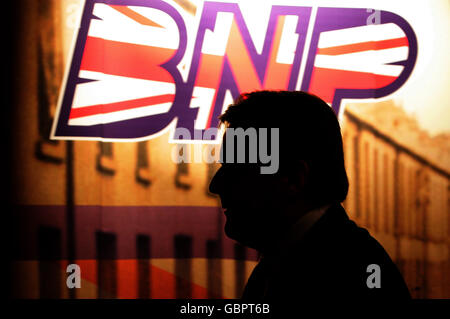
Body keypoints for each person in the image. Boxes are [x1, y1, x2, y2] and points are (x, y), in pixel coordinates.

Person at [209, 90, 411, 300]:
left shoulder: (345, 273)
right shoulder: (291, 263)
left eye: (237, 169)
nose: (216, 185)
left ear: (295, 178)